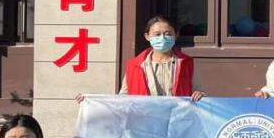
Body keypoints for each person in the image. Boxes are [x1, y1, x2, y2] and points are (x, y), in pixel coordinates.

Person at [76, 14, 205, 102]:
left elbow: (199, 92)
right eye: (157, 34)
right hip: (145, 124)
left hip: (178, 122)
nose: (162, 38)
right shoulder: (135, 65)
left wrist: (200, 95)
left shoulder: (187, 63)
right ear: (147, 36)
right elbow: (123, 98)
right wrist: (91, 101)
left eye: (168, 34)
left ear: (176, 35)